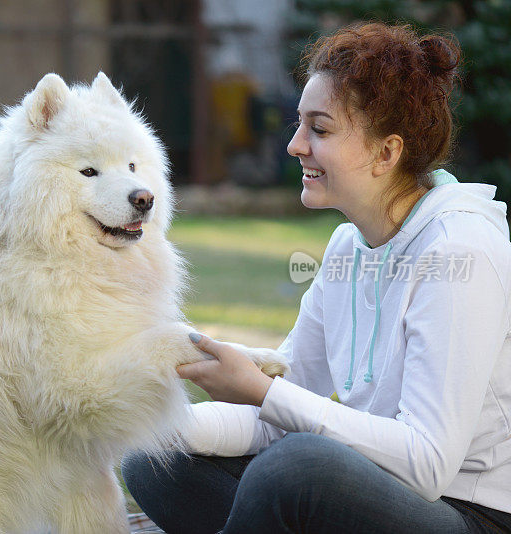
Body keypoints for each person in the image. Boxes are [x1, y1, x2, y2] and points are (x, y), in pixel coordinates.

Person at [122, 22, 511, 534]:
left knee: (299, 468)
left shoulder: (461, 251)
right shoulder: (348, 247)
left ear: (386, 153)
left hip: (466, 515)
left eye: (320, 129)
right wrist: (137, 425)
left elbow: (428, 464)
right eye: (300, 125)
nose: (295, 145)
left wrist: (264, 393)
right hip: (362, 492)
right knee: (155, 456)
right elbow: (278, 417)